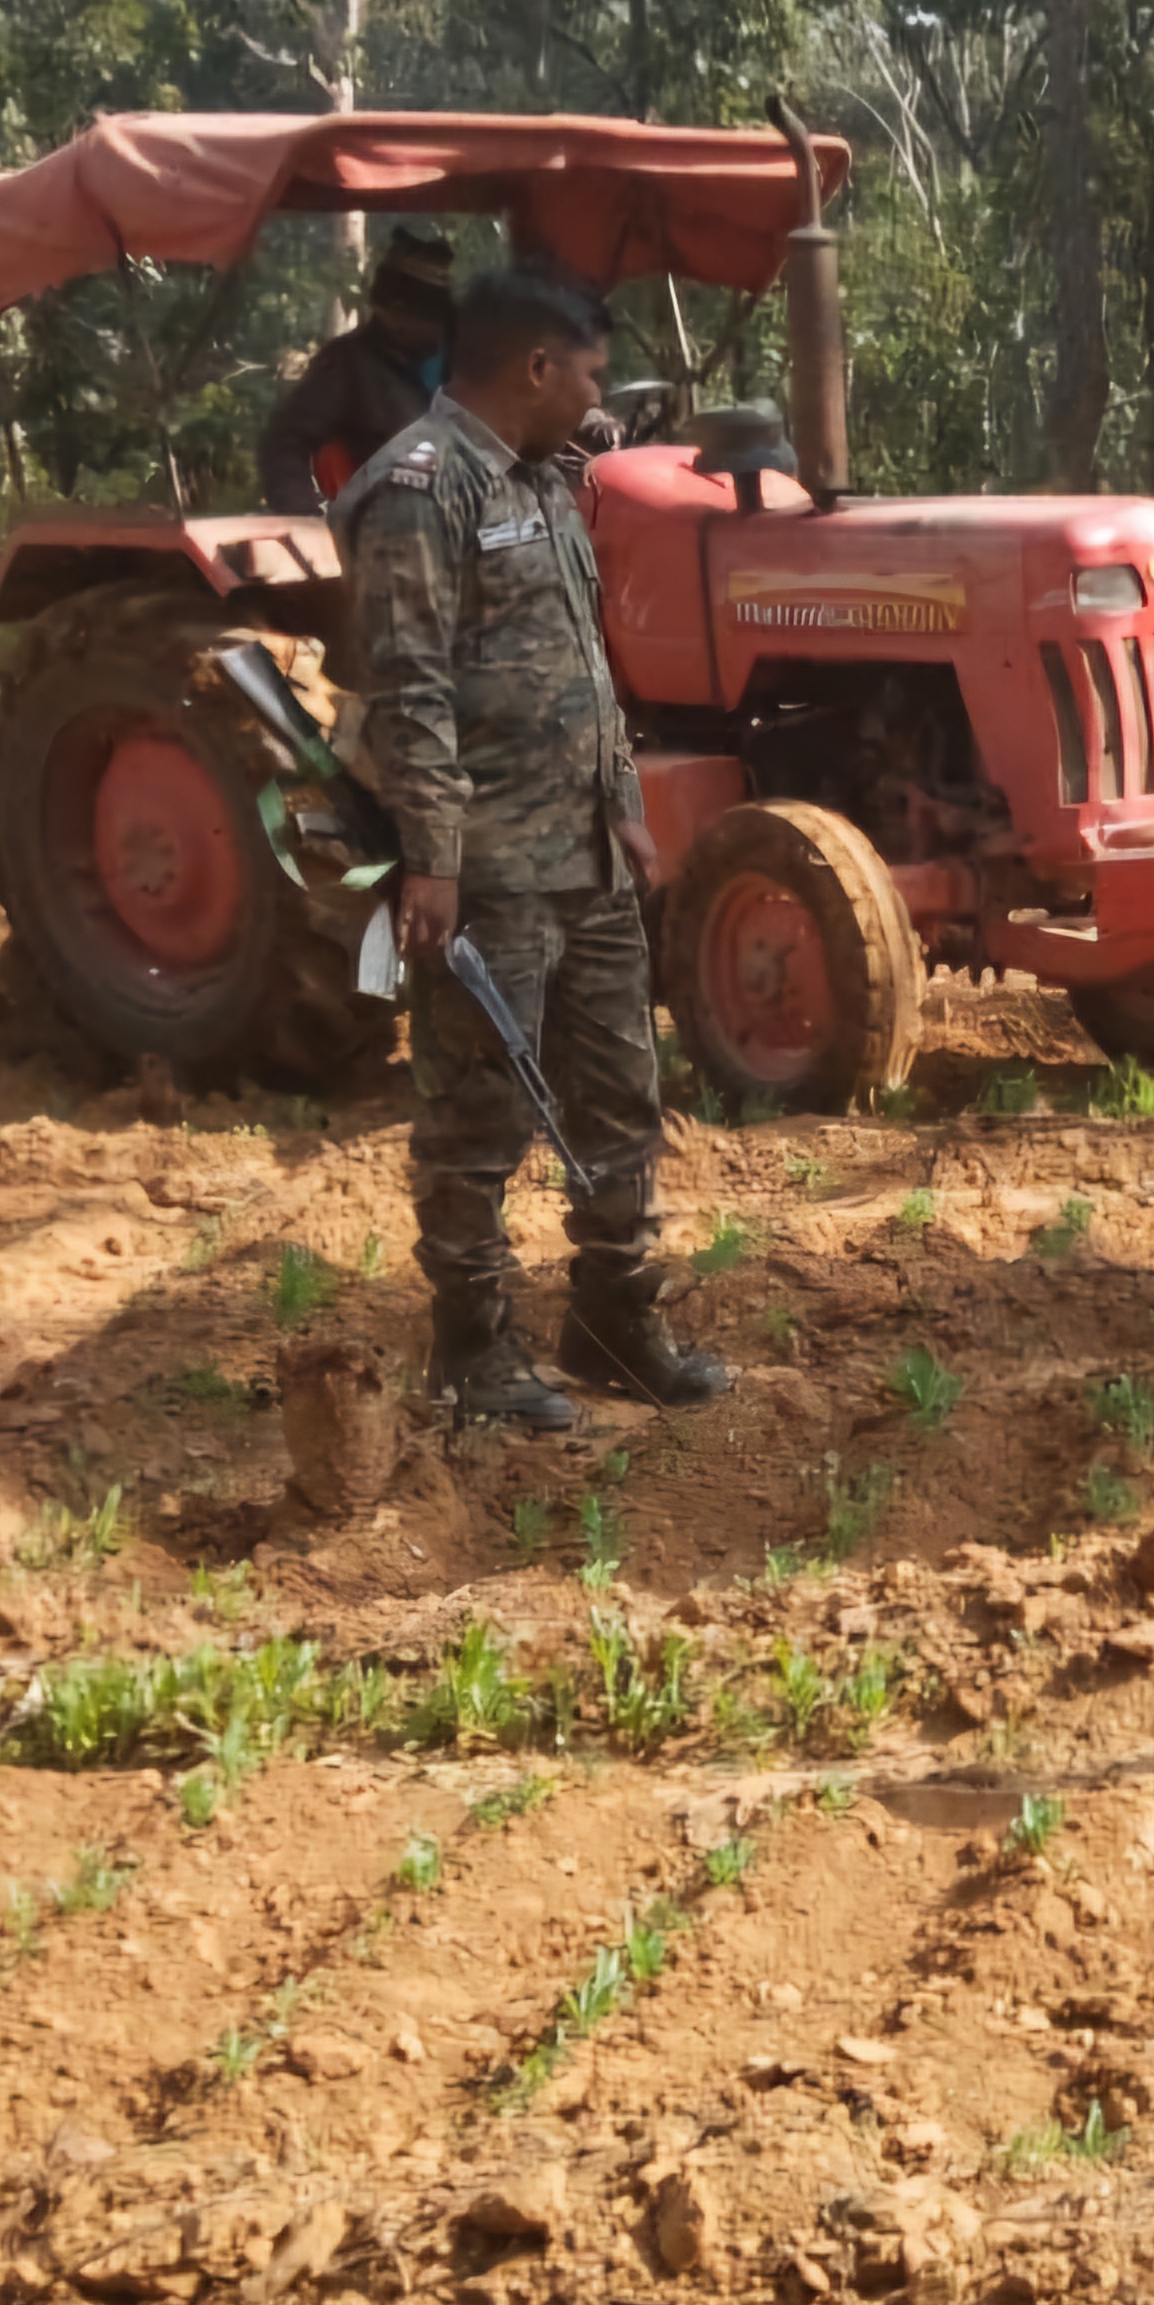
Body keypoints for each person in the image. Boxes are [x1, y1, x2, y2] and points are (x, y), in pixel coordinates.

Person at [331, 263, 730, 1434]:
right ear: (537, 368)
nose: (604, 394)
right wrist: (435, 859)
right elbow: (409, 688)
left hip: (586, 859)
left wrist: (623, 806)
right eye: (593, 370)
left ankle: (614, 1316)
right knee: (479, 1109)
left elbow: (578, 662)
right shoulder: (423, 486)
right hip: (491, 865)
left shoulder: (544, 479)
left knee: (620, 1096)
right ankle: (473, 1349)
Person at [258, 232, 456, 514]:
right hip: (388, 527)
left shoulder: (472, 357)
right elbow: (283, 443)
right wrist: (304, 519)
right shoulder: (348, 363)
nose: (435, 334)